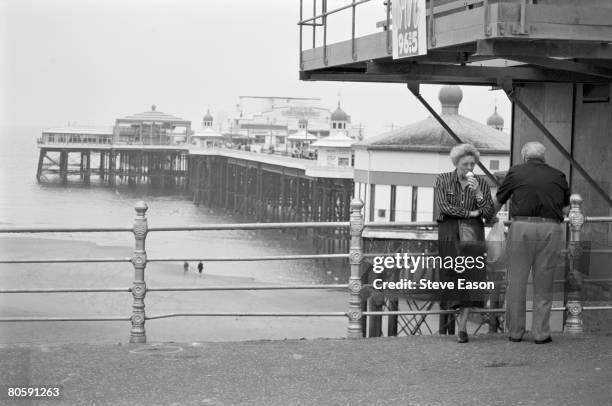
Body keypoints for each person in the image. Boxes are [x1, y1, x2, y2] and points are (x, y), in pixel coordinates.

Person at [493, 142, 569, 344]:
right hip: (550, 229)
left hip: (521, 228)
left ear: (524, 156)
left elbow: (499, 200)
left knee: (516, 282)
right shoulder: (558, 175)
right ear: (544, 157)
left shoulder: (516, 172)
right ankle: (541, 334)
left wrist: (487, 217)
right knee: (544, 283)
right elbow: (566, 210)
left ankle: (516, 333)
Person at [434, 144, 495, 343]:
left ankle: (462, 328)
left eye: (472, 163)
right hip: (450, 232)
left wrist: (478, 193)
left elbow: (488, 213)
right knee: (452, 275)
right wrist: (470, 213)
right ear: (456, 163)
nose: (469, 167)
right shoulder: (443, 179)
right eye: (465, 163)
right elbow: (444, 207)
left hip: (473, 233)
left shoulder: (481, 183)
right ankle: (454, 318)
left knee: (472, 277)